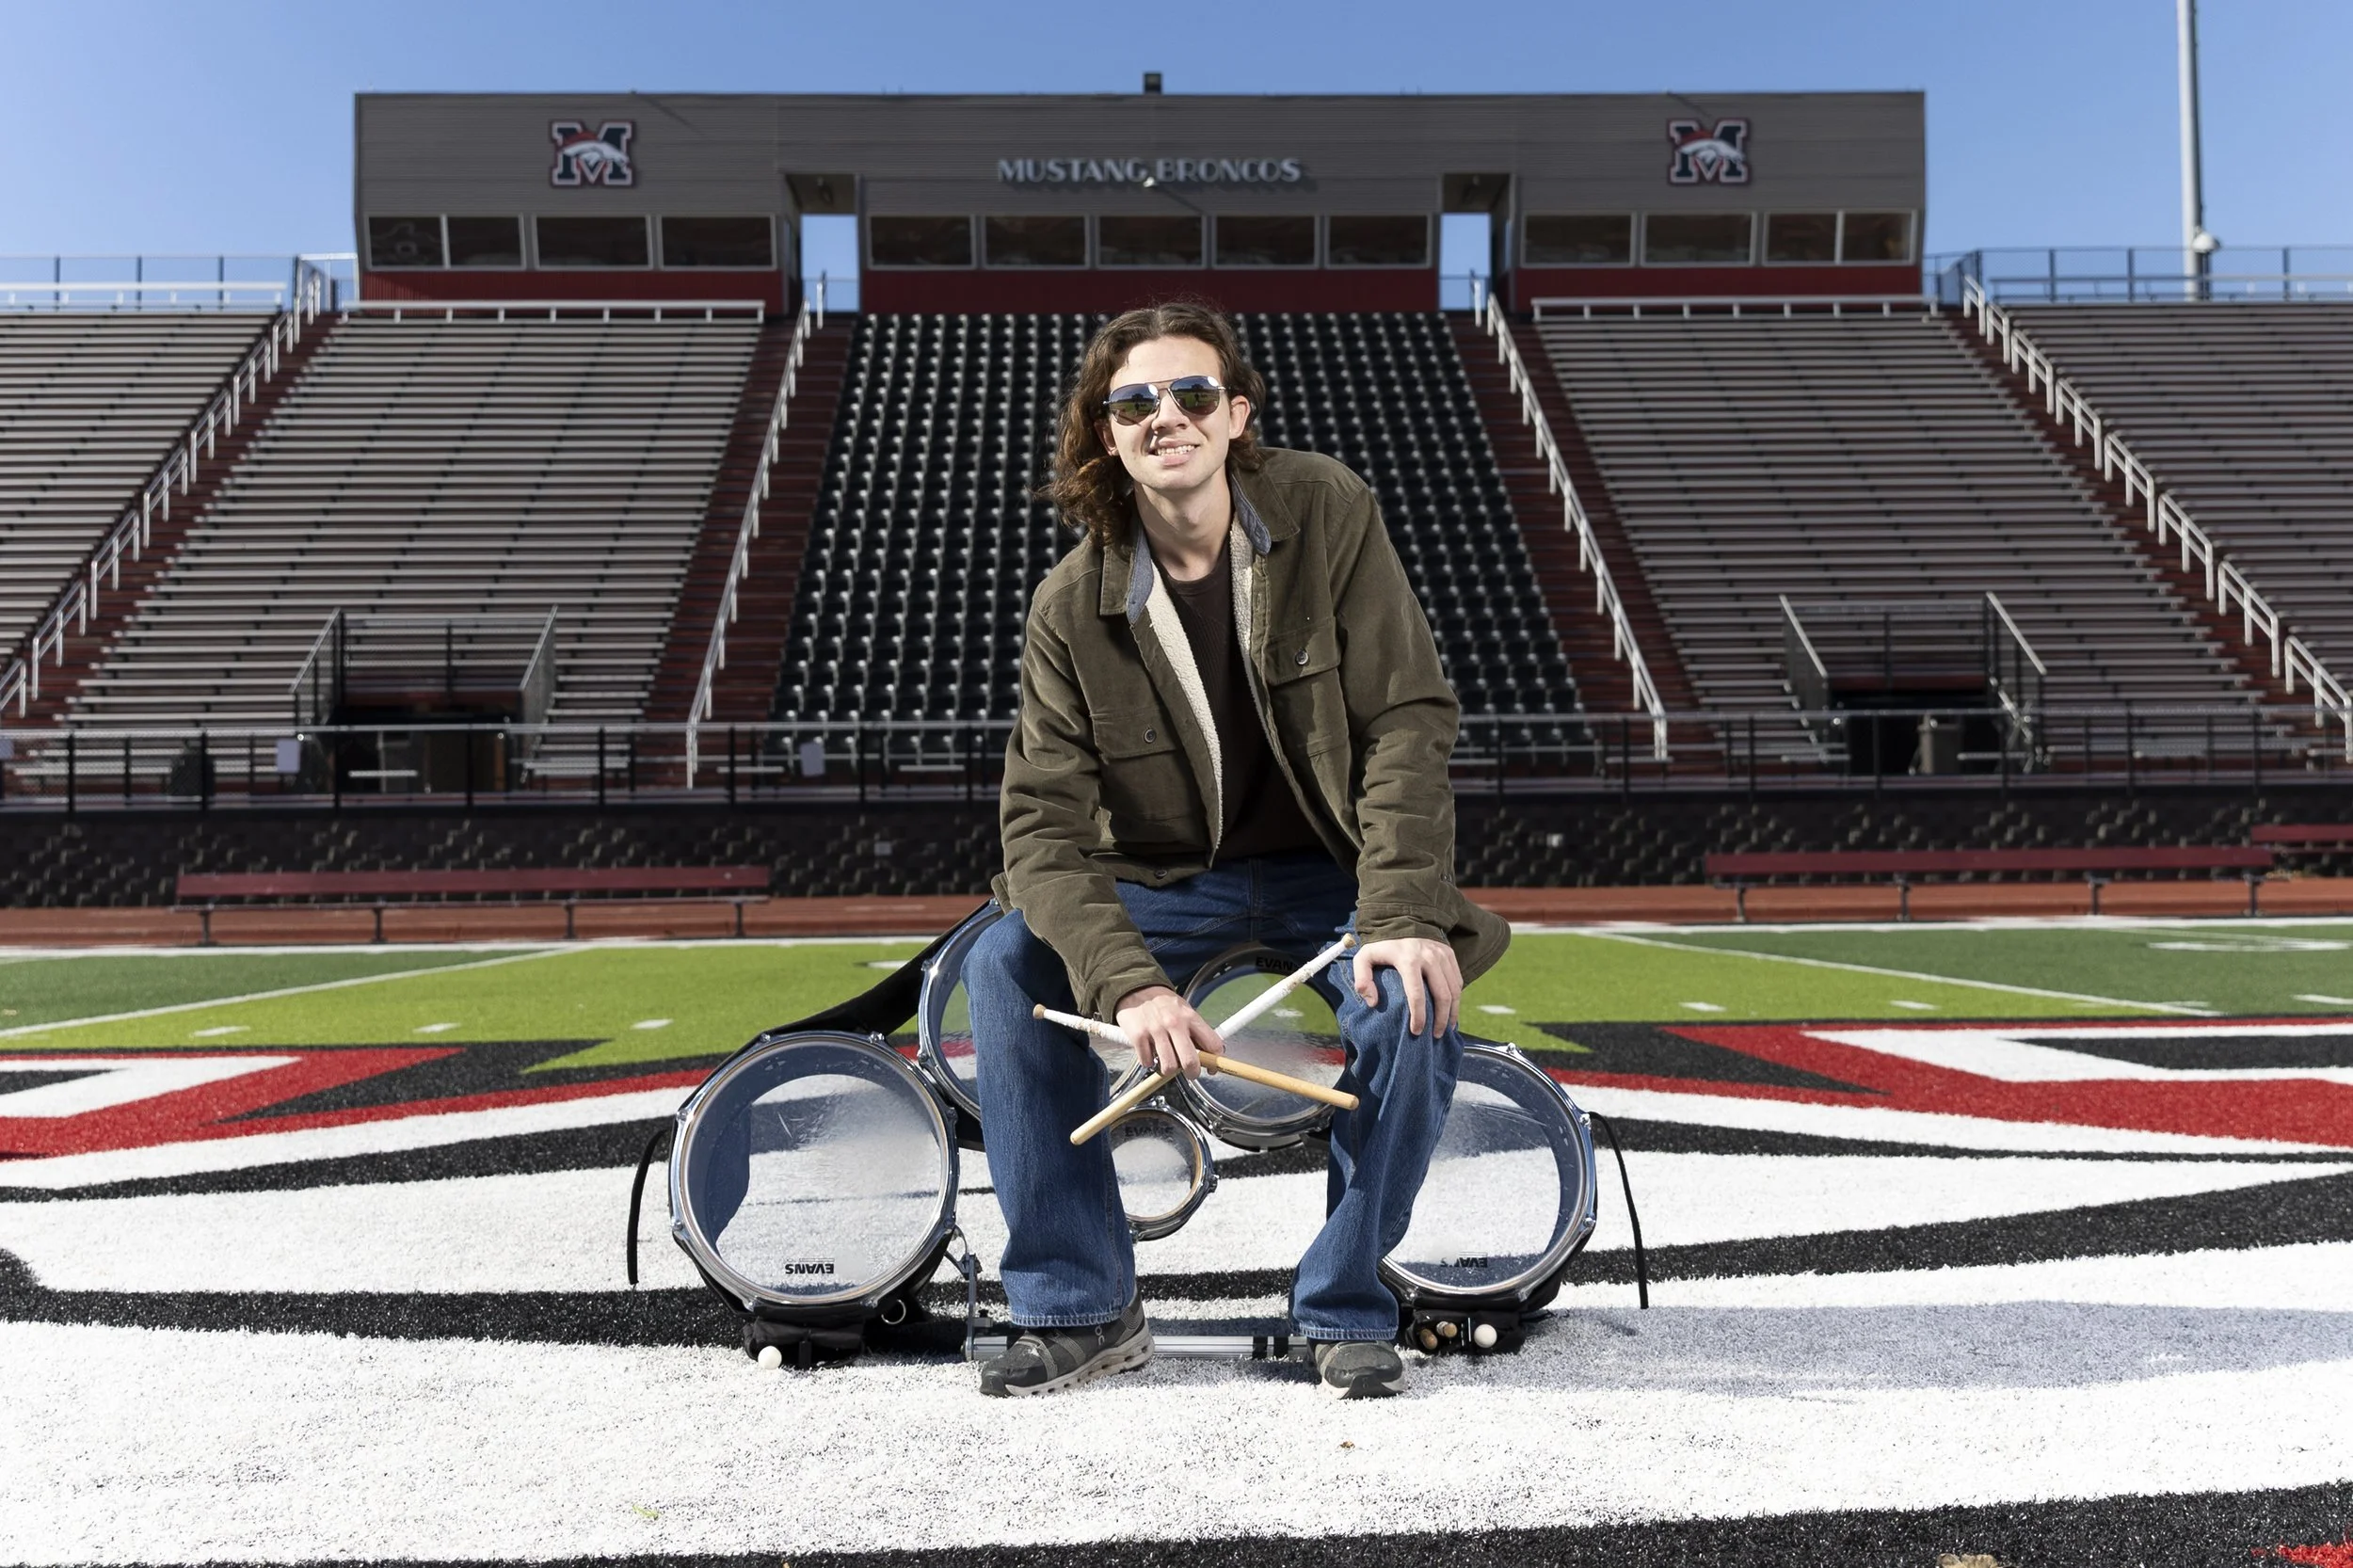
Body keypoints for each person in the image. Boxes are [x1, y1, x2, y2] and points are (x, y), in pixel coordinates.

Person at [964, 300, 1509, 1399]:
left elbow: (1407, 713)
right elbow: (1041, 829)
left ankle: (1343, 1303)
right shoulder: (1069, 608)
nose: (1165, 415)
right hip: (1168, 880)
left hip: (1332, 867)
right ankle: (1079, 1305)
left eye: (1191, 393)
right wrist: (1127, 985)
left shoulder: (1324, 505)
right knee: (1001, 965)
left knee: (1411, 992)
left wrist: (1401, 909)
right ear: (1105, 436)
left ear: (1235, 413)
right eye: (1134, 402)